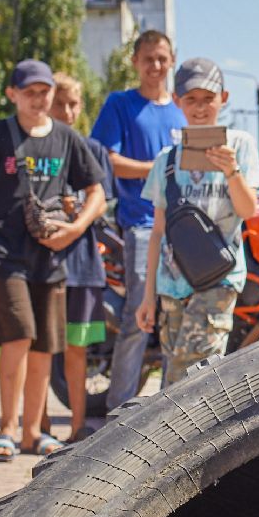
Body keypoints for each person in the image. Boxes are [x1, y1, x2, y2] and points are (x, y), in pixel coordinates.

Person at [0, 60, 106, 460]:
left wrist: (74, 230)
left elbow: (96, 191)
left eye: (44, 92)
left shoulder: (66, 138)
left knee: (44, 345)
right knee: (19, 335)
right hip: (3, 253)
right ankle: (6, 428)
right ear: (13, 94)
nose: (39, 99)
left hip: (51, 257)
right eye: (30, 92)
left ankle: (32, 432)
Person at [135, 58, 259, 383]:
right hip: (172, 285)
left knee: (191, 379)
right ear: (177, 100)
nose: (200, 107)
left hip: (218, 280)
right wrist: (148, 296)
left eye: (208, 98)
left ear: (224, 98)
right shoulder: (166, 161)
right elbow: (158, 232)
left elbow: (249, 210)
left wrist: (232, 172)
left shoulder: (240, 146)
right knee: (177, 381)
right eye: (191, 99)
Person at [90, 31, 184, 409]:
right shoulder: (121, 104)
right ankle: (117, 414)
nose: (155, 66)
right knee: (138, 317)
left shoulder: (182, 109)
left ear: (172, 60)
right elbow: (107, 159)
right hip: (141, 223)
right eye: (148, 58)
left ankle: (172, 410)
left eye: (162, 58)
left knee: (178, 319)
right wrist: (157, 168)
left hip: (183, 228)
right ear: (135, 62)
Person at [29, 73, 113, 443]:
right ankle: (39, 424)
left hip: (82, 263)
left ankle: (78, 426)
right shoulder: (35, 150)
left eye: (72, 103)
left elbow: (103, 201)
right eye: (59, 103)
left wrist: (76, 214)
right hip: (42, 263)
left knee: (77, 348)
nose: (66, 110)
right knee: (41, 346)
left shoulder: (92, 149)